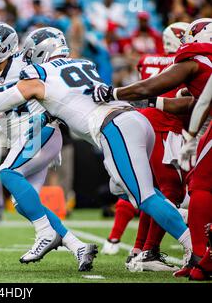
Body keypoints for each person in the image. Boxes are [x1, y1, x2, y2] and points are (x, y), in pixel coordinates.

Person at [0, 26, 192, 273]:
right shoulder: (85, 64)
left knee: (144, 196)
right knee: (125, 188)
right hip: (136, 121)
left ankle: (194, 246)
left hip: (113, 127)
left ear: (39, 52)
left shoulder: (40, 74)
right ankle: (181, 220)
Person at [0, 22, 97, 271]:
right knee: (23, 202)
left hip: (40, 129)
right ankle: (77, 245)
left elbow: (57, 84)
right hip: (23, 139)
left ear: (5, 49)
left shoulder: (27, 62)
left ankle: (44, 234)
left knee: (6, 172)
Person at [91, 18, 212, 281]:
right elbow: (193, 103)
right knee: (172, 190)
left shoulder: (194, 61)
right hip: (168, 127)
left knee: (190, 188)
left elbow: (152, 88)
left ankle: (196, 255)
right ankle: (156, 251)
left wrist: (113, 93)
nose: (187, 41)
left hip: (162, 127)